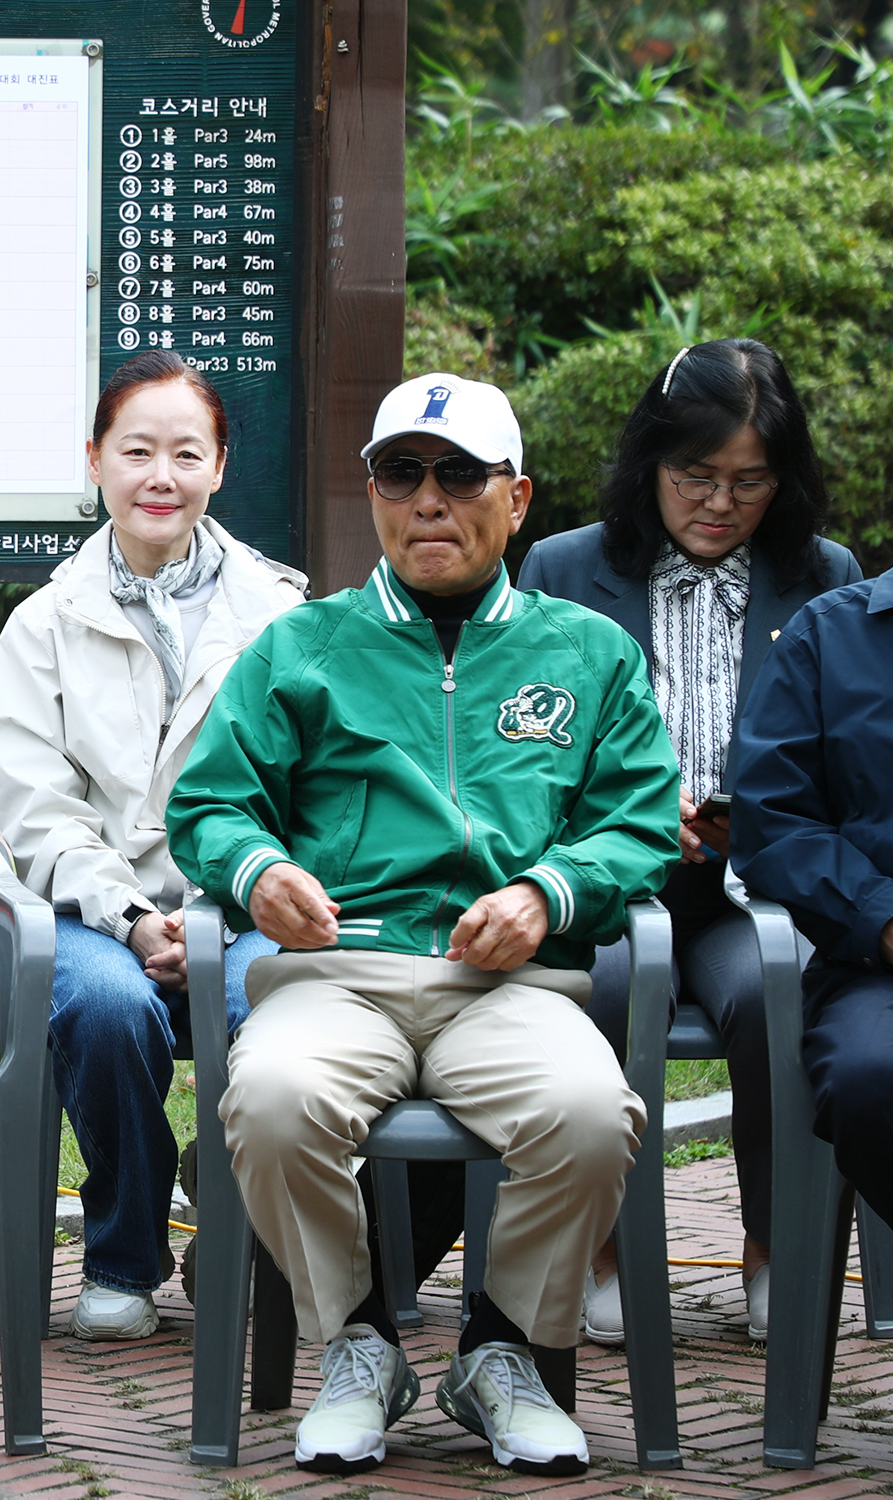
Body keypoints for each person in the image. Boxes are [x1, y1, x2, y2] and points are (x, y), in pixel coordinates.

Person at [168, 372, 679, 1477]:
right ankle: (358, 1346)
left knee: (591, 1113)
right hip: (339, 975)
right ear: (372, 495)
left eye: (460, 475)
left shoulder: (588, 654)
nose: (430, 500)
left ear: (519, 496)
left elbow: (638, 822)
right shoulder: (302, 645)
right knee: (269, 1096)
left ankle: (500, 1352)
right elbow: (209, 804)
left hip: (512, 986)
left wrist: (548, 892)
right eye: (402, 474)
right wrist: (258, 874)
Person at [519, 339, 861, 1345]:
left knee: (774, 990)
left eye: (750, 481)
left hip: (755, 884)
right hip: (606, 884)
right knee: (612, 987)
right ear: (651, 464)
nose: (720, 502)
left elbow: (848, 762)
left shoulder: (821, 578)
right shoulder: (565, 569)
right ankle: (609, 1250)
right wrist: (631, 814)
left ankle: (772, 1250)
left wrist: (751, 815)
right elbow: (527, 745)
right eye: (695, 477)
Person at [0, 352, 300, 1340]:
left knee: (274, 1007)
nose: (160, 477)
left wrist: (228, 901)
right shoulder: (43, 626)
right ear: (95, 461)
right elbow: (36, 810)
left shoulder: (285, 619)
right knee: (111, 1010)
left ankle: (239, 1230)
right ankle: (124, 1250)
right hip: (93, 912)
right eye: (136, 452)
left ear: (219, 466)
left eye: (185, 453)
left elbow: (306, 793)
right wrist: (129, 915)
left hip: (246, 908)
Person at [731, 574, 893, 1233]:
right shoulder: (828, 635)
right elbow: (774, 820)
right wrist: (882, 921)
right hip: (876, 968)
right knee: (872, 1078)